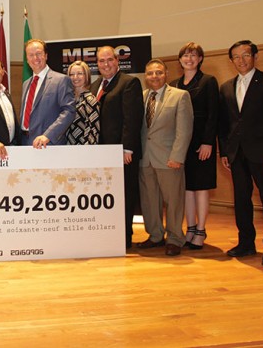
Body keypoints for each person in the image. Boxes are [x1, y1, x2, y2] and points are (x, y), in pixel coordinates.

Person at [219, 40, 263, 267]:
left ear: (255, 56)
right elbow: (225, 124)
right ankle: (246, 243)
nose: (241, 60)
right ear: (231, 61)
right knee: (241, 200)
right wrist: (224, 152)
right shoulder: (226, 87)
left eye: (246, 55)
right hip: (236, 154)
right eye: (236, 57)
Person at [137, 59, 193, 256]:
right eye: (150, 73)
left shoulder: (180, 96)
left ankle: (176, 238)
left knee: (173, 201)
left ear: (166, 74)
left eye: (159, 72)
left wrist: (177, 156)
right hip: (146, 158)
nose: (154, 76)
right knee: (149, 200)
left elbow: (184, 130)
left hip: (169, 159)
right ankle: (155, 236)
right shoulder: (141, 97)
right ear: (146, 75)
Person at [91, 46, 143, 249]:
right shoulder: (95, 86)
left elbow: (132, 119)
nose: (106, 64)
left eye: (109, 60)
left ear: (117, 61)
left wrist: (127, 149)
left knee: (125, 195)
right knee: (107, 196)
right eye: (101, 61)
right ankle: (108, 235)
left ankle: (124, 237)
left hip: (122, 153)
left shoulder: (129, 83)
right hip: (101, 153)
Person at [169, 42, 219, 250]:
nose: (189, 59)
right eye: (185, 56)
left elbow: (213, 114)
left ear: (200, 59)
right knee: (187, 188)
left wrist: (208, 142)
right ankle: (189, 228)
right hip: (182, 143)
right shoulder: (174, 84)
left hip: (201, 142)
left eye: (193, 55)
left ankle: (201, 229)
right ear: (180, 60)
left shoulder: (208, 81)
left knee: (201, 188)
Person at [19, 39, 75, 148]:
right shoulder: (26, 84)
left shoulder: (61, 80)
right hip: (25, 143)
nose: (35, 58)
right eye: (31, 55)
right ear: (27, 59)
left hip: (48, 144)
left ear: (46, 55)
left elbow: (69, 111)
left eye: (39, 54)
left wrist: (47, 135)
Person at [65, 61, 100, 145]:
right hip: (66, 148)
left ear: (86, 76)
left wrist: (87, 151)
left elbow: (94, 129)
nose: (75, 77)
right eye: (71, 74)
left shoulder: (90, 99)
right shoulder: (68, 99)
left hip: (83, 149)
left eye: (80, 73)